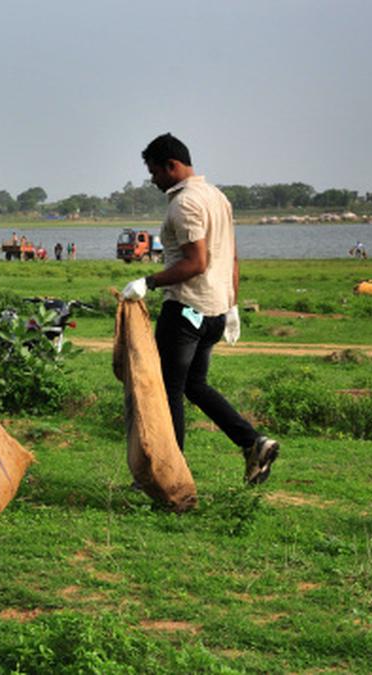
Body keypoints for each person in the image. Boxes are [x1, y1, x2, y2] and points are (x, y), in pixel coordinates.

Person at [122, 133, 279, 485]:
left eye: (154, 172)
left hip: (186, 311)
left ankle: (169, 473)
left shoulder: (185, 203)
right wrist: (232, 304)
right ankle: (253, 442)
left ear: (171, 166)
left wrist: (148, 281)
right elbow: (231, 257)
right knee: (195, 385)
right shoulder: (217, 197)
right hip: (213, 312)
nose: (153, 180)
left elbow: (196, 262)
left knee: (168, 391)